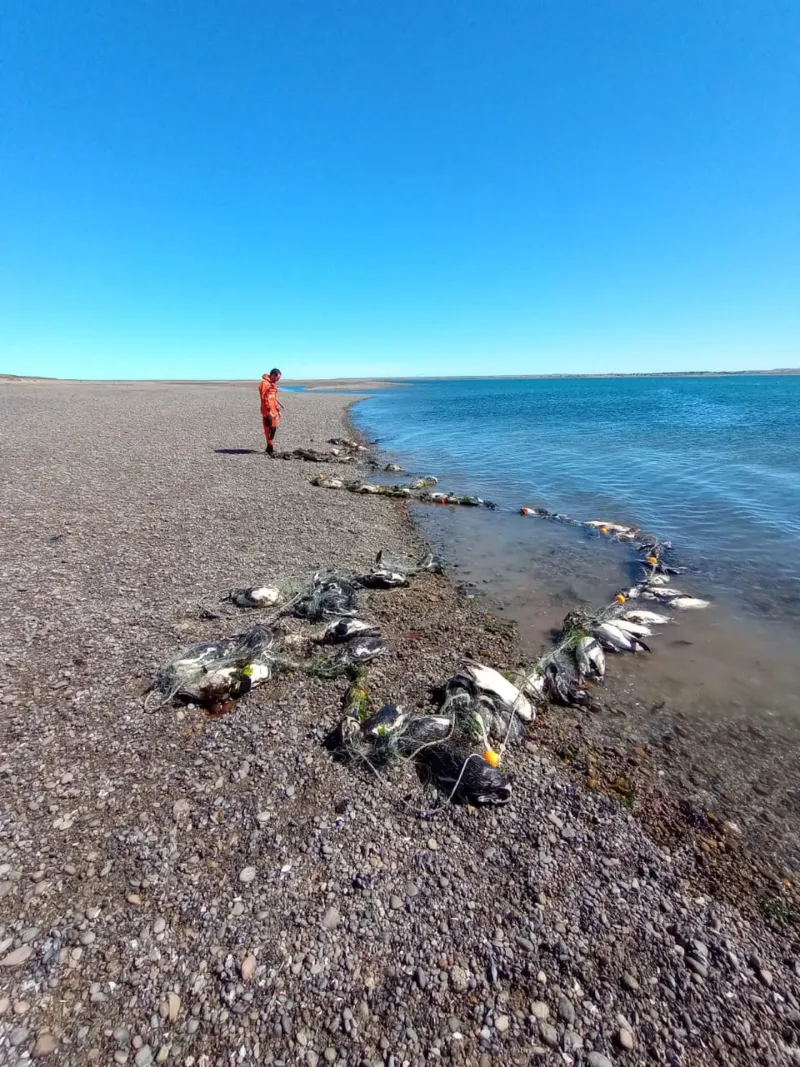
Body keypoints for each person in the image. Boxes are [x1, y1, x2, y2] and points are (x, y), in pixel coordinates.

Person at [259, 368, 282, 455]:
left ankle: (270, 446)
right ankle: (270, 447)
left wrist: (278, 410)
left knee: (273, 429)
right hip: (268, 411)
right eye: (277, 378)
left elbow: (274, 399)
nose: (278, 380)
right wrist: (268, 411)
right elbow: (265, 398)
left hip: (274, 411)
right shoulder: (264, 384)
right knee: (269, 429)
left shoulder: (272, 385)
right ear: (273, 375)